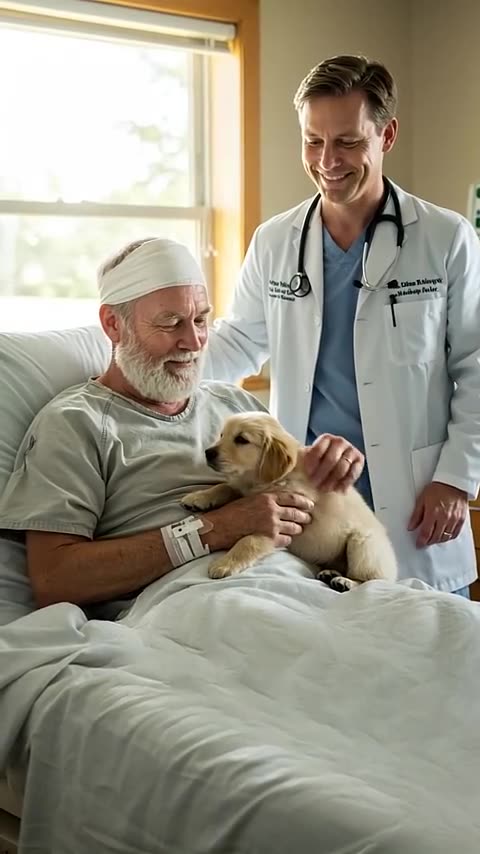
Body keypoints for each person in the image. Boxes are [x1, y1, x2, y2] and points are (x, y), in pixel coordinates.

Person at [203, 54, 480, 595]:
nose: (328, 160)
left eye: (348, 141)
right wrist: (156, 363)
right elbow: (239, 342)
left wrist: (455, 479)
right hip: (307, 515)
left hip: (415, 506)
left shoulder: (445, 239)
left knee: (433, 664)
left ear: (387, 134)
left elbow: (476, 365)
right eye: (313, 141)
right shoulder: (275, 240)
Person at [0, 238, 361, 619]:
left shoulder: (234, 405)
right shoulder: (77, 423)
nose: (193, 342)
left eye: (201, 320)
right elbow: (55, 579)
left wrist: (330, 467)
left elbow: (303, 506)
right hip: (196, 611)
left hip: (304, 590)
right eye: (171, 323)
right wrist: (212, 530)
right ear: (113, 325)